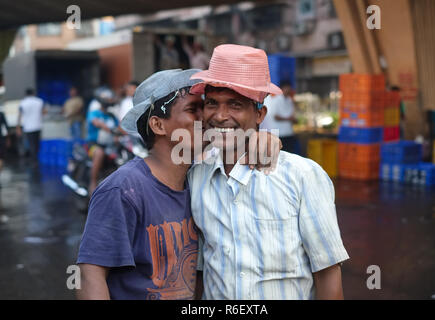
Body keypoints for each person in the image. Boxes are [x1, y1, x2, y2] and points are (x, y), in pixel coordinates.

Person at [76, 69, 282, 300]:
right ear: (158, 125)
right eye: (193, 109)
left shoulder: (201, 181)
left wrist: (263, 137)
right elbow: (89, 275)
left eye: (203, 107)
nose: (207, 117)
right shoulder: (124, 189)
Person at [188, 44, 349, 300]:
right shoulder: (196, 178)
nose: (220, 116)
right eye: (212, 103)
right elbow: (200, 271)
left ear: (260, 113)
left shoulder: (301, 176)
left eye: (235, 105)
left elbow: (328, 273)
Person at [86, 87, 119, 195]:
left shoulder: (112, 116)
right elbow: (96, 122)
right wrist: (108, 129)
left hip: (109, 145)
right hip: (93, 145)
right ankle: (93, 182)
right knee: (99, 153)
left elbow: (120, 128)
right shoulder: (94, 113)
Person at [261, 80, 300, 154]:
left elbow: (292, 115)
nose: (288, 90)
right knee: (279, 156)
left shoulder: (289, 100)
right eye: (286, 88)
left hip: (289, 133)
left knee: (289, 155)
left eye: (289, 88)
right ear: (282, 88)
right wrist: (289, 119)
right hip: (279, 133)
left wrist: (293, 119)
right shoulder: (276, 99)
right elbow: (275, 116)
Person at [16, 88, 46, 165]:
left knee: (31, 144)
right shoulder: (39, 101)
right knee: (37, 144)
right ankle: (35, 158)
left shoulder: (23, 103)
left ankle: (33, 159)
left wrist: (18, 127)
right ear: (33, 93)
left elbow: (19, 115)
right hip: (38, 126)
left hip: (28, 127)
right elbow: (44, 112)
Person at [0, 110, 9, 183]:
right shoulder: (1, 114)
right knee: (1, 158)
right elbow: (6, 126)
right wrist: (8, 138)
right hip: (1, 138)